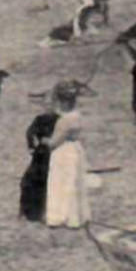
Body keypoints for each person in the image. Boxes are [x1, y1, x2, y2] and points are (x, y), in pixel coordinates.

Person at [44, 82, 91, 229]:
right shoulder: (77, 115)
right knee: (74, 182)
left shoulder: (64, 121)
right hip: (75, 149)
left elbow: (55, 142)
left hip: (64, 152)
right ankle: (77, 216)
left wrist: (45, 142)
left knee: (62, 182)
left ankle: (60, 217)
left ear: (62, 102)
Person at [19, 94, 60, 223]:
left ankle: (44, 212)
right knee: (29, 181)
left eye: (51, 104)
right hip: (41, 154)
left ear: (56, 105)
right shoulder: (40, 119)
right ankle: (29, 212)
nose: (48, 107)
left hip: (54, 153)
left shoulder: (60, 120)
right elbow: (29, 132)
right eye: (45, 105)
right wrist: (31, 146)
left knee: (47, 183)